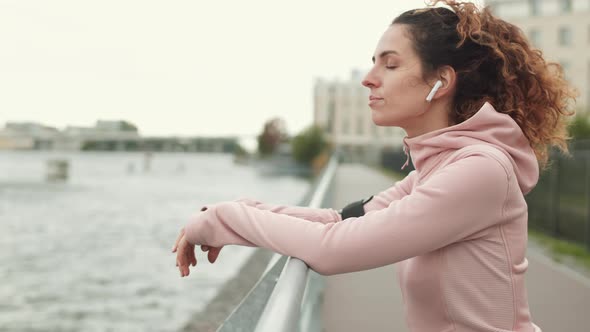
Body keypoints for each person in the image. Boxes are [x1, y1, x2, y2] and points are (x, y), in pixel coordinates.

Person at [172, 1, 576, 331]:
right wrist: (237, 212)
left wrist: (225, 220)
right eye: (373, 62)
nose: (369, 78)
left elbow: (334, 250)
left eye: (391, 64)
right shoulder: (435, 171)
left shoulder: (479, 171)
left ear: (441, 82)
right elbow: (339, 220)